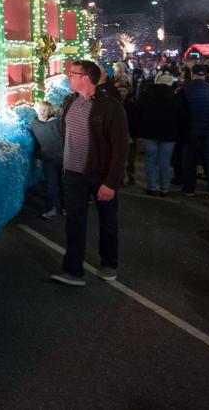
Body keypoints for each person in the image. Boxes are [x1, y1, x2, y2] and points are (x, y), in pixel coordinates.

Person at [51, 60, 129, 286]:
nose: (68, 76)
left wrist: (111, 182)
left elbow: (120, 147)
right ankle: (73, 271)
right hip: (73, 175)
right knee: (74, 222)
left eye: (72, 73)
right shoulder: (69, 101)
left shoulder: (110, 107)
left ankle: (109, 263)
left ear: (85, 78)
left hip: (100, 176)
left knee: (107, 221)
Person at [178, 63, 209, 198]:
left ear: (192, 74)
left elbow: (181, 112)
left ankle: (189, 189)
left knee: (190, 161)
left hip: (192, 128)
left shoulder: (185, 89)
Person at [135, 72, 181, 196]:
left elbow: (138, 112)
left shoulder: (146, 94)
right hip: (169, 133)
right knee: (165, 161)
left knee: (150, 159)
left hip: (150, 131)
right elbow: (180, 116)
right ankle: (164, 188)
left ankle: (151, 186)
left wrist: (138, 131)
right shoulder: (174, 96)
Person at [29, 101, 64, 219]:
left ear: (50, 112)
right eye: (41, 109)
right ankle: (51, 209)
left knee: (64, 183)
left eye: (46, 110)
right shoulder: (33, 125)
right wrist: (38, 158)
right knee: (51, 184)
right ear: (37, 110)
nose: (43, 112)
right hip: (48, 159)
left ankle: (66, 207)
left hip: (62, 158)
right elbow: (36, 144)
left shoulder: (56, 123)